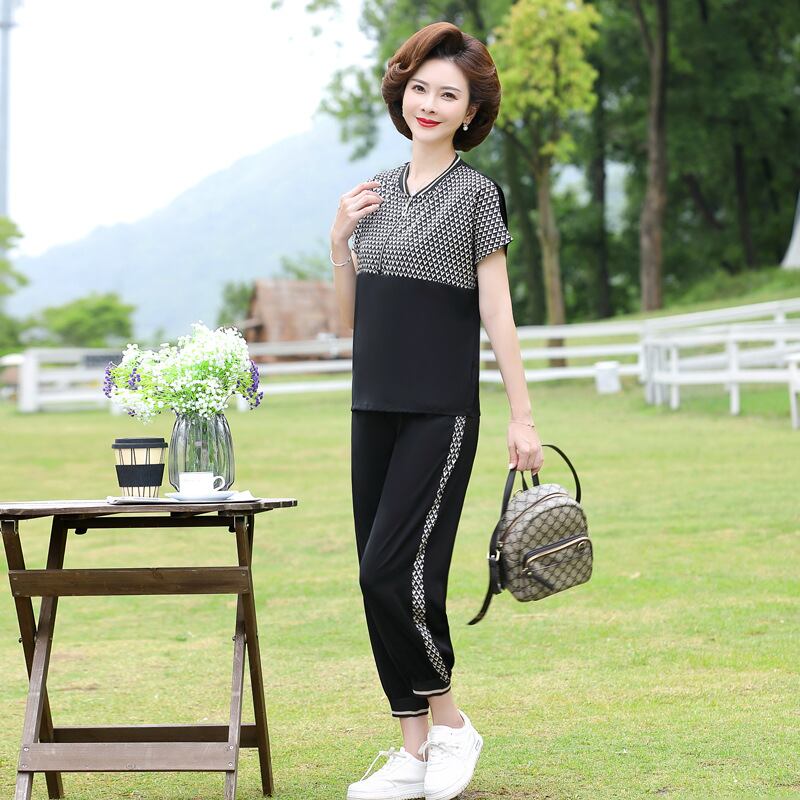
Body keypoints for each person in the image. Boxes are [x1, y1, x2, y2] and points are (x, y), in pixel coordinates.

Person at [329, 20, 544, 800]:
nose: (428, 102)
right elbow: (352, 322)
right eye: (418, 87)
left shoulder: (478, 196)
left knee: (396, 572)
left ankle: (451, 724)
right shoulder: (375, 193)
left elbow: (499, 313)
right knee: (372, 579)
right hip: (372, 409)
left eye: (446, 94)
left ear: (470, 112)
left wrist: (522, 418)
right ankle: (413, 751)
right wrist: (339, 242)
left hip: (439, 413)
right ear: (402, 92)